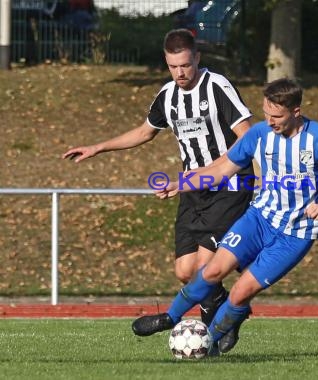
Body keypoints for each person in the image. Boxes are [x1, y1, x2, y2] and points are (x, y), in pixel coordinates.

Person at [131, 78, 318, 353]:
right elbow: (220, 171)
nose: (270, 121)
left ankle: (211, 345)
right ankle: (170, 317)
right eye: (266, 113)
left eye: (277, 116)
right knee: (214, 269)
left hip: (296, 234)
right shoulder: (259, 134)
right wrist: (180, 183)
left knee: (242, 291)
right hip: (260, 218)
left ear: (296, 112)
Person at [62, 29, 254, 352]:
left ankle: (223, 323)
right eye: (173, 67)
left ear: (197, 58)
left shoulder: (217, 86)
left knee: (204, 268)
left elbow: (247, 135)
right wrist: (98, 147)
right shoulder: (168, 95)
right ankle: (223, 305)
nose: (180, 73)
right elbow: (144, 131)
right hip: (191, 191)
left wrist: (217, 171)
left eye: (185, 65)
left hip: (228, 187)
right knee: (184, 272)